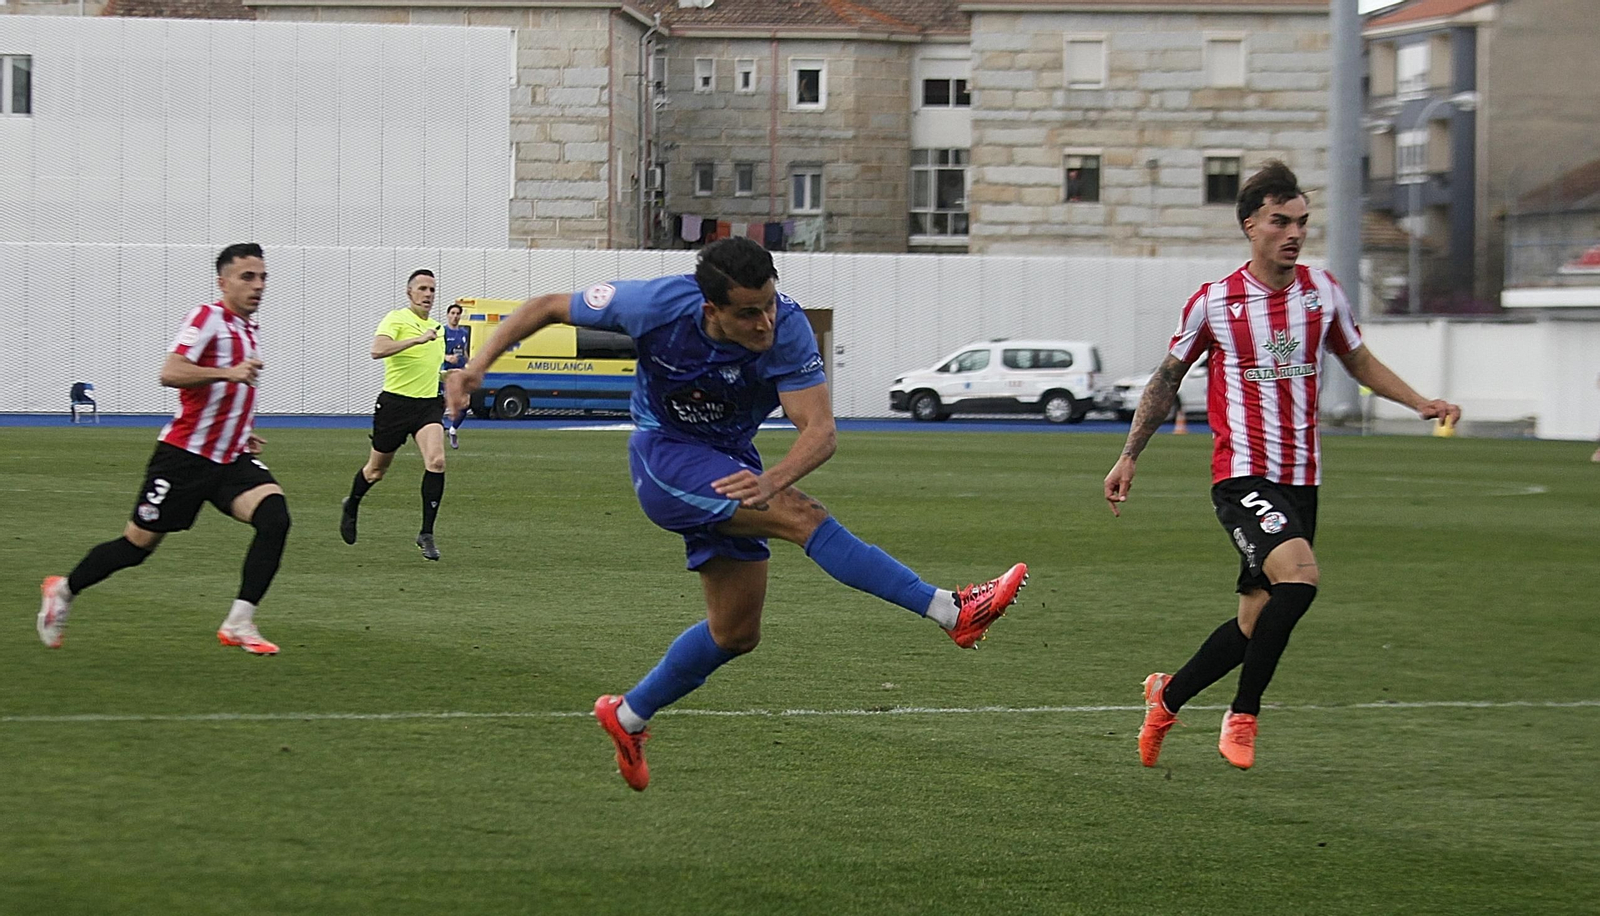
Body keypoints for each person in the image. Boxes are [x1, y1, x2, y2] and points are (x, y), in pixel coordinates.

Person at [447, 237, 1028, 791]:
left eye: (770, 304)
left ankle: (627, 716)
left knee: (735, 633)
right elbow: (548, 306)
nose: (765, 323)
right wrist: (477, 367)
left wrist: (770, 479)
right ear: (711, 309)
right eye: (749, 313)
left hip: (733, 464)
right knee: (801, 517)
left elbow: (820, 432)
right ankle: (953, 612)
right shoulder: (655, 306)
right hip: (664, 460)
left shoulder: (789, 328)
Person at [1103, 161, 1461, 770]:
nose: (1293, 233)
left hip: (1303, 480)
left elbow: (1359, 360)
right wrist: (1129, 455)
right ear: (1250, 226)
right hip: (1241, 476)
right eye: (1279, 221)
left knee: (1256, 620)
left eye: (1301, 222)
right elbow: (1168, 379)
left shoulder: (1323, 293)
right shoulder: (1214, 303)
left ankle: (1167, 697)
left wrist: (1418, 400)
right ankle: (1243, 715)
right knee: (1299, 581)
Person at [38, 243, 291, 655]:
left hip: (229, 457)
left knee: (275, 518)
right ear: (222, 282)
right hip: (183, 458)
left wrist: (241, 431)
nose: (258, 285)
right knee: (136, 547)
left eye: (263, 277)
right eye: (248, 277)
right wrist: (228, 372)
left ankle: (240, 621)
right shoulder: (206, 317)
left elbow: (226, 396)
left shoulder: (248, 330)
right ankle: (63, 590)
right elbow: (170, 372)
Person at [340, 269, 448, 560]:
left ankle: (426, 532)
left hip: (427, 405)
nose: (428, 294)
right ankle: (352, 504)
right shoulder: (397, 319)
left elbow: (431, 367)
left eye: (432, 290)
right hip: (395, 405)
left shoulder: (438, 329)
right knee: (376, 471)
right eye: (422, 288)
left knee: (437, 461)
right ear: (409, 292)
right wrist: (415, 340)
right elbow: (377, 350)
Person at [441, 302, 471, 449]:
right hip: (445, 372)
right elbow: (434, 351)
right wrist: (446, 357)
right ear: (448, 315)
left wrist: (468, 363)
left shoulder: (463, 333)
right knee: (440, 404)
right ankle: (438, 429)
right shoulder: (442, 331)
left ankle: (452, 430)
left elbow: (463, 351)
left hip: (459, 372)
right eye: (452, 313)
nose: (455, 316)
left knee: (466, 403)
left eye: (457, 314)